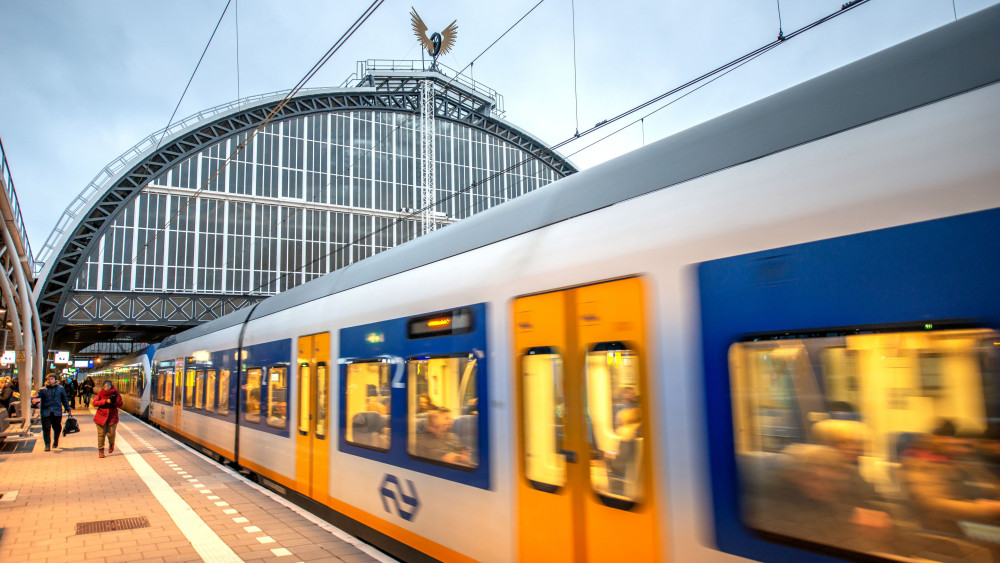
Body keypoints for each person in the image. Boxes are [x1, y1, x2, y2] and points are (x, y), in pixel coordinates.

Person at [37, 373, 71, 451]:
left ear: (55, 380)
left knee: (57, 427)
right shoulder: (42, 390)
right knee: (46, 428)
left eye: (51, 379)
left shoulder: (60, 388)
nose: (50, 381)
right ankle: (47, 445)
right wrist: (36, 401)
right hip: (45, 411)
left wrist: (68, 409)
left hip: (57, 411)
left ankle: (56, 441)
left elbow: (64, 399)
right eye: (48, 379)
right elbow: (39, 398)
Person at [93, 380, 123, 458]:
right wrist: (105, 401)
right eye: (104, 387)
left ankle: (111, 444)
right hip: (101, 416)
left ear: (111, 386)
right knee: (101, 434)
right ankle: (101, 450)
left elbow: (120, 404)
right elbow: (94, 403)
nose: (106, 388)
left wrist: (113, 402)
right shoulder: (100, 394)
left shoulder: (116, 394)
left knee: (111, 433)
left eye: (107, 387)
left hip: (112, 416)